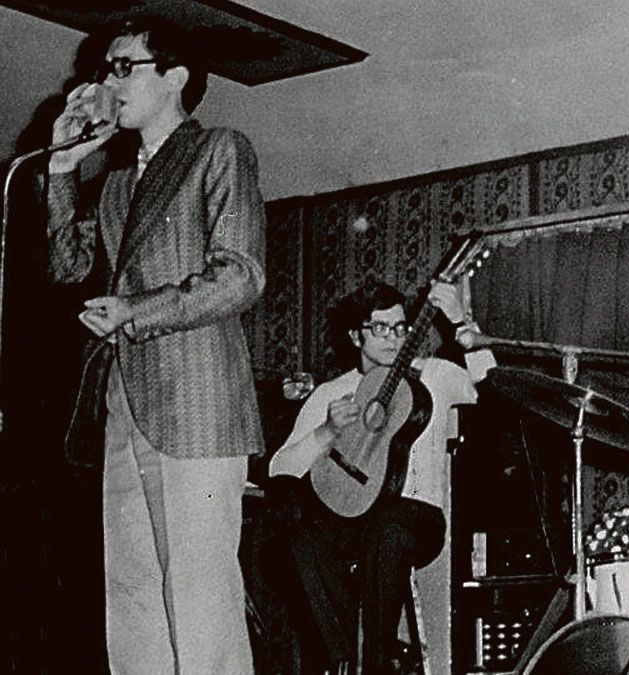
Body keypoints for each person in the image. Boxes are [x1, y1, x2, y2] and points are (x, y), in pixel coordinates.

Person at [45, 17, 266, 674]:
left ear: (174, 77)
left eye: (122, 67)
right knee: (134, 597)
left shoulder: (219, 149)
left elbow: (241, 276)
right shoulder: (115, 182)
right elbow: (65, 266)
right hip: (126, 406)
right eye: (103, 71)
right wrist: (61, 167)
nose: (105, 83)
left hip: (198, 406)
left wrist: (136, 311)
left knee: (200, 597)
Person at [270, 279, 492, 674]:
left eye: (401, 327)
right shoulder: (332, 393)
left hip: (416, 518)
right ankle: (341, 661)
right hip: (352, 518)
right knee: (301, 538)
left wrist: (461, 321)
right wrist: (326, 432)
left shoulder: (433, 376)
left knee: (387, 529)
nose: (394, 338)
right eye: (380, 328)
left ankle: (376, 665)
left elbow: (491, 386)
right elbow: (279, 468)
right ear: (356, 335)